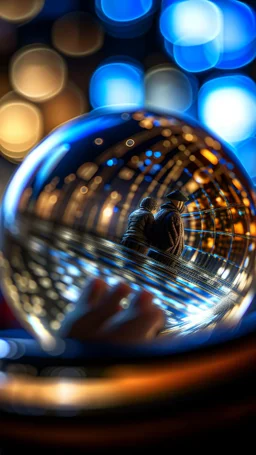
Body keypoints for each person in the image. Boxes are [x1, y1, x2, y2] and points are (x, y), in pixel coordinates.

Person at [148, 190, 189, 265]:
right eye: (182, 203)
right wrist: (170, 258)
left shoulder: (161, 212)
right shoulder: (174, 215)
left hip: (155, 255)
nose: (183, 206)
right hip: (165, 259)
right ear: (178, 203)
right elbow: (172, 240)